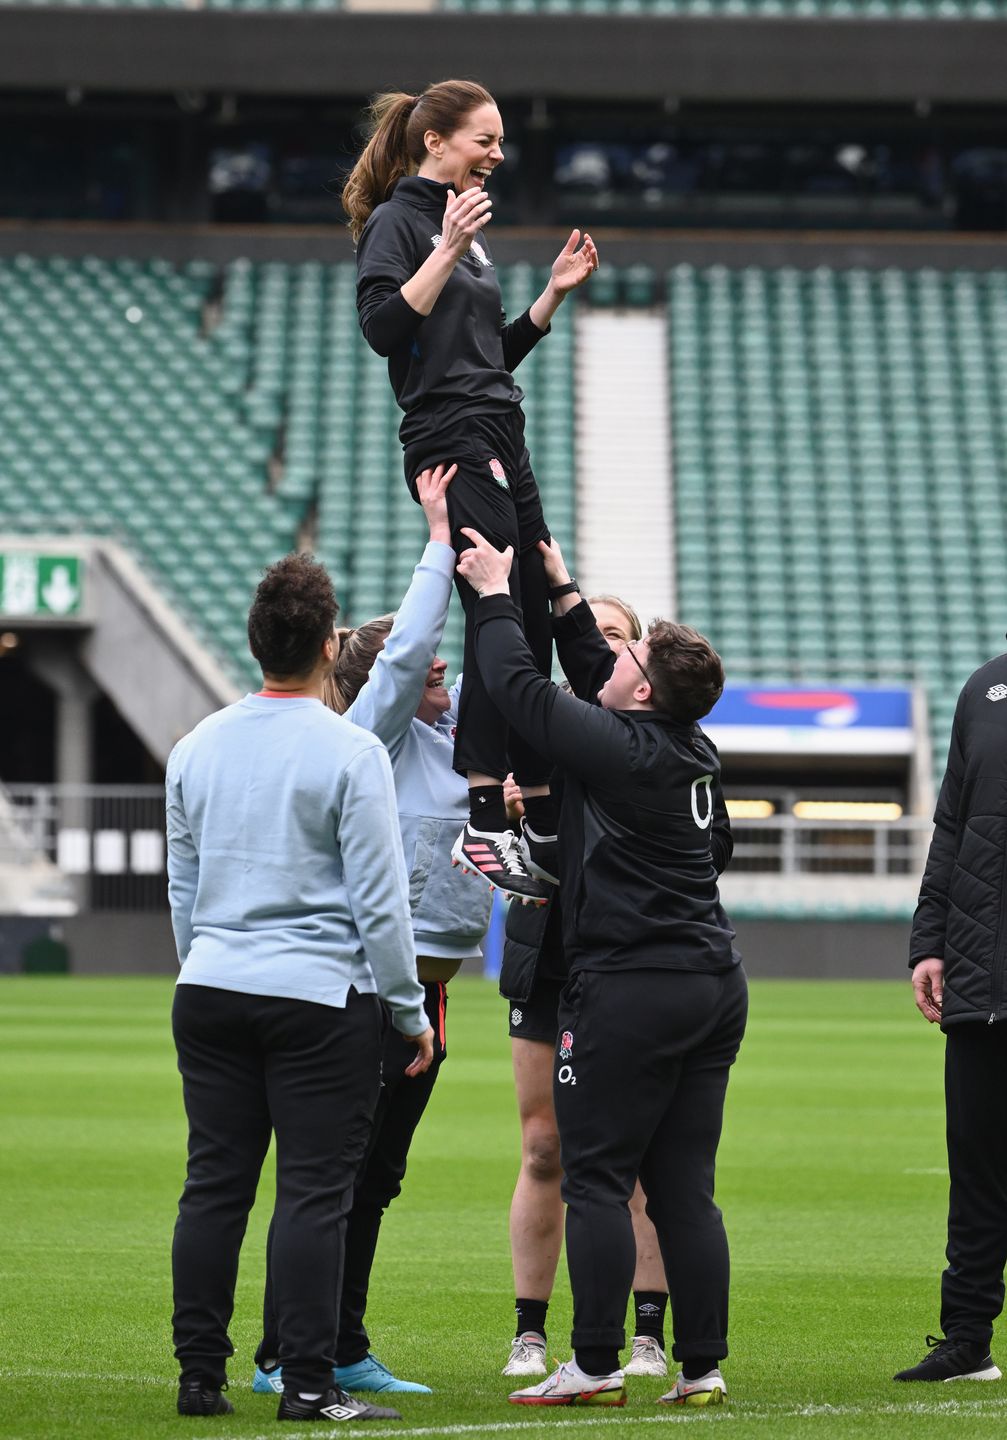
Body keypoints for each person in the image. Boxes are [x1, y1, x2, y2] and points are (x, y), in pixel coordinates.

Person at [456, 528, 746, 1409]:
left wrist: (496, 593)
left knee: (595, 1179)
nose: (614, 658)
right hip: (711, 981)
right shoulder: (685, 744)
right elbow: (595, 671)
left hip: (630, 986)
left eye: (631, 654)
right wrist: (561, 586)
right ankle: (700, 1368)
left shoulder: (620, 747)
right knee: (685, 1191)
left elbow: (516, 686)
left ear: (644, 688)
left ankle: (590, 1363)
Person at [166, 551, 433, 1426]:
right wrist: (406, 1009)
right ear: (328, 645)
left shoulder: (194, 746)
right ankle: (310, 1385)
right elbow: (379, 900)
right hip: (319, 995)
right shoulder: (351, 750)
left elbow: (183, 888)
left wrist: (207, 961)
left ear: (255, 643)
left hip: (211, 984)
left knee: (214, 1187)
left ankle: (199, 1376)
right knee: (314, 1194)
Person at [252, 464, 492, 1398]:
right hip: (369, 991)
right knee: (335, 1177)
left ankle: (340, 1341)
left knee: (376, 1180)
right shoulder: (374, 740)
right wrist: (437, 541)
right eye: (423, 665)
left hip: (429, 993)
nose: (439, 671)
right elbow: (403, 661)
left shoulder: (452, 739)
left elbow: (499, 680)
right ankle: (284, 1352)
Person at [344, 78, 598, 904]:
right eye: (484, 139)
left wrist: (550, 296)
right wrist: (447, 249)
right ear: (435, 142)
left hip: (497, 428)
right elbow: (383, 329)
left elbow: (486, 357)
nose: (497, 153)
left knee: (531, 611)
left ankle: (535, 813)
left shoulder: (464, 229)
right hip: (451, 438)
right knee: (494, 607)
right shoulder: (400, 221)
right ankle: (484, 816)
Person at [500, 593, 672, 1382]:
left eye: (614, 635)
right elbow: (496, 844)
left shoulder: (649, 743)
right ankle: (529, 1333)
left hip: (625, 957)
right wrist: (513, 814)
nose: (599, 645)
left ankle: (646, 1335)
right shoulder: (537, 731)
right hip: (548, 954)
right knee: (543, 1147)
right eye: (590, 632)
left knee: (632, 1156)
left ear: (634, 657)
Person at [894, 655, 1007, 1384]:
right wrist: (929, 943)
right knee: (975, 1169)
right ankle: (967, 1339)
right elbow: (951, 826)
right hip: (981, 973)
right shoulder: (984, 688)